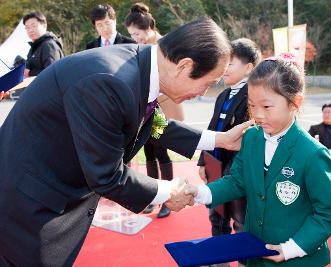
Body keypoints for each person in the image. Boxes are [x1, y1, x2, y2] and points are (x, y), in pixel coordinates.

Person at [0, 18, 253, 266]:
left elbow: (155, 125)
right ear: (184, 66)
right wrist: (169, 190)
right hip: (28, 204)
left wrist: (221, 139)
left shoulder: (140, 66)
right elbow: (107, 176)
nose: (203, 93)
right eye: (208, 83)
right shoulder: (110, 81)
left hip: (46, 191)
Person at [187, 54, 331, 267]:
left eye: (267, 106)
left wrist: (291, 248)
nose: (258, 115)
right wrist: (202, 193)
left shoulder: (313, 154)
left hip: (296, 260)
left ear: (295, 103)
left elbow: (328, 213)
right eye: (252, 106)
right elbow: (236, 180)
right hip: (255, 252)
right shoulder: (252, 138)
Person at [197, 38, 260, 267]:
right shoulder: (223, 95)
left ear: (248, 68)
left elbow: (249, 140)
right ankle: (219, 261)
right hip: (216, 167)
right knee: (217, 216)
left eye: (230, 63)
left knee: (241, 219)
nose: (224, 69)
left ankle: (245, 263)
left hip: (237, 173)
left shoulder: (254, 97)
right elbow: (212, 128)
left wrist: (232, 173)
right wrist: (203, 162)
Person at [125, 2, 185, 218]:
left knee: (161, 151)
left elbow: (175, 79)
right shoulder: (141, 47)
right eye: (132, 35)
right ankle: (153, 197)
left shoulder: (164, 45)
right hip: (145, 107)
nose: (135, 38)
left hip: (161, 106)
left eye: (138, 33)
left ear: (149, 28)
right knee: (148, 150)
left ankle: (169, 198)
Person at [23, 11, 64, 77]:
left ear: (44, 26)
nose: (30, 30)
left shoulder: (49, 45)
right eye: (27, 27)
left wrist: (30, 73)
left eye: (34, 26)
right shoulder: (34, 47)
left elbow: (52, 72)